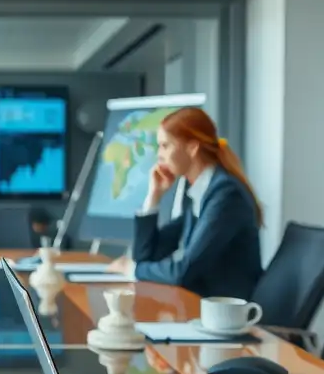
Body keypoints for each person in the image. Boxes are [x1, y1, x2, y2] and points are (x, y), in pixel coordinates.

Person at [108, 106, 262, 299]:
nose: (159, 156)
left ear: (192, 148)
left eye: (165, 146)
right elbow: (149, 256)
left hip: (224, 314)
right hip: (199, 305)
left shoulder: (225, 195)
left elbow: (184, 272)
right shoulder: (199, 191)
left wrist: (133, 269)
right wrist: (154, 196)